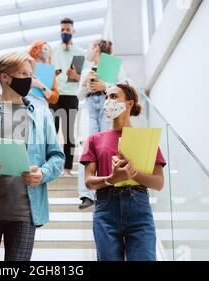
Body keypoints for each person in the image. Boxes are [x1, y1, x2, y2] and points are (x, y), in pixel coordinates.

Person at [0, 51, 65, 261]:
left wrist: (42, 174)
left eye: (30, 74)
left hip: (26, 213)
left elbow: (57, 157)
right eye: (23, 73)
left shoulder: (42, 113)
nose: (29, 79)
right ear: (5, 77)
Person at [80, 81, 166, 261]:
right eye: (106, 97)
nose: (107, 102)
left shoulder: (146, 139)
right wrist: (112, 178)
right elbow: (88, 181)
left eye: (113, 96)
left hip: (139, 209)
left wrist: (133, 174)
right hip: (106, 209)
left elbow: (158, 183)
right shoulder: (94, 139)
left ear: (130, 103)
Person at [76, 39, 129, 209]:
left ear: (97, 48)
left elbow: (125, 88)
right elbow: (79, 95)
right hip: (91, 105)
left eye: (90, 47)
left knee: (108, 146)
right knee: (88, 146)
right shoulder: (86, 70)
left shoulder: (114, 66)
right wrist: (86, 84)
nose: (88, 50)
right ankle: (86, 194)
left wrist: (104, 85)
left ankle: (109, 186)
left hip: (108, 104)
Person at [50, 17, 85, 176]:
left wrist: (76, 76)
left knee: (69, 132)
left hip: (71, 95)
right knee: (52, 130)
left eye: (68, 30)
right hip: (55, 95)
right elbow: (46, 72)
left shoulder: (80, 52)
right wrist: (53, 74)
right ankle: (51, 165)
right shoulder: (53, 50)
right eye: (62, 30)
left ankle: (67, 168)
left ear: (73, 31)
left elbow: (82, 78)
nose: (65, 32)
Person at [27, 40, 59, 107]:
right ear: (36, 50)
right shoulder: (26, 67)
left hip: (42, 105)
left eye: (48, 50)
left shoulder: (51, 72)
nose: (46, 52)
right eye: (43, 49)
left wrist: (40, 85)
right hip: (27, 102)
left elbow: (54, 98)